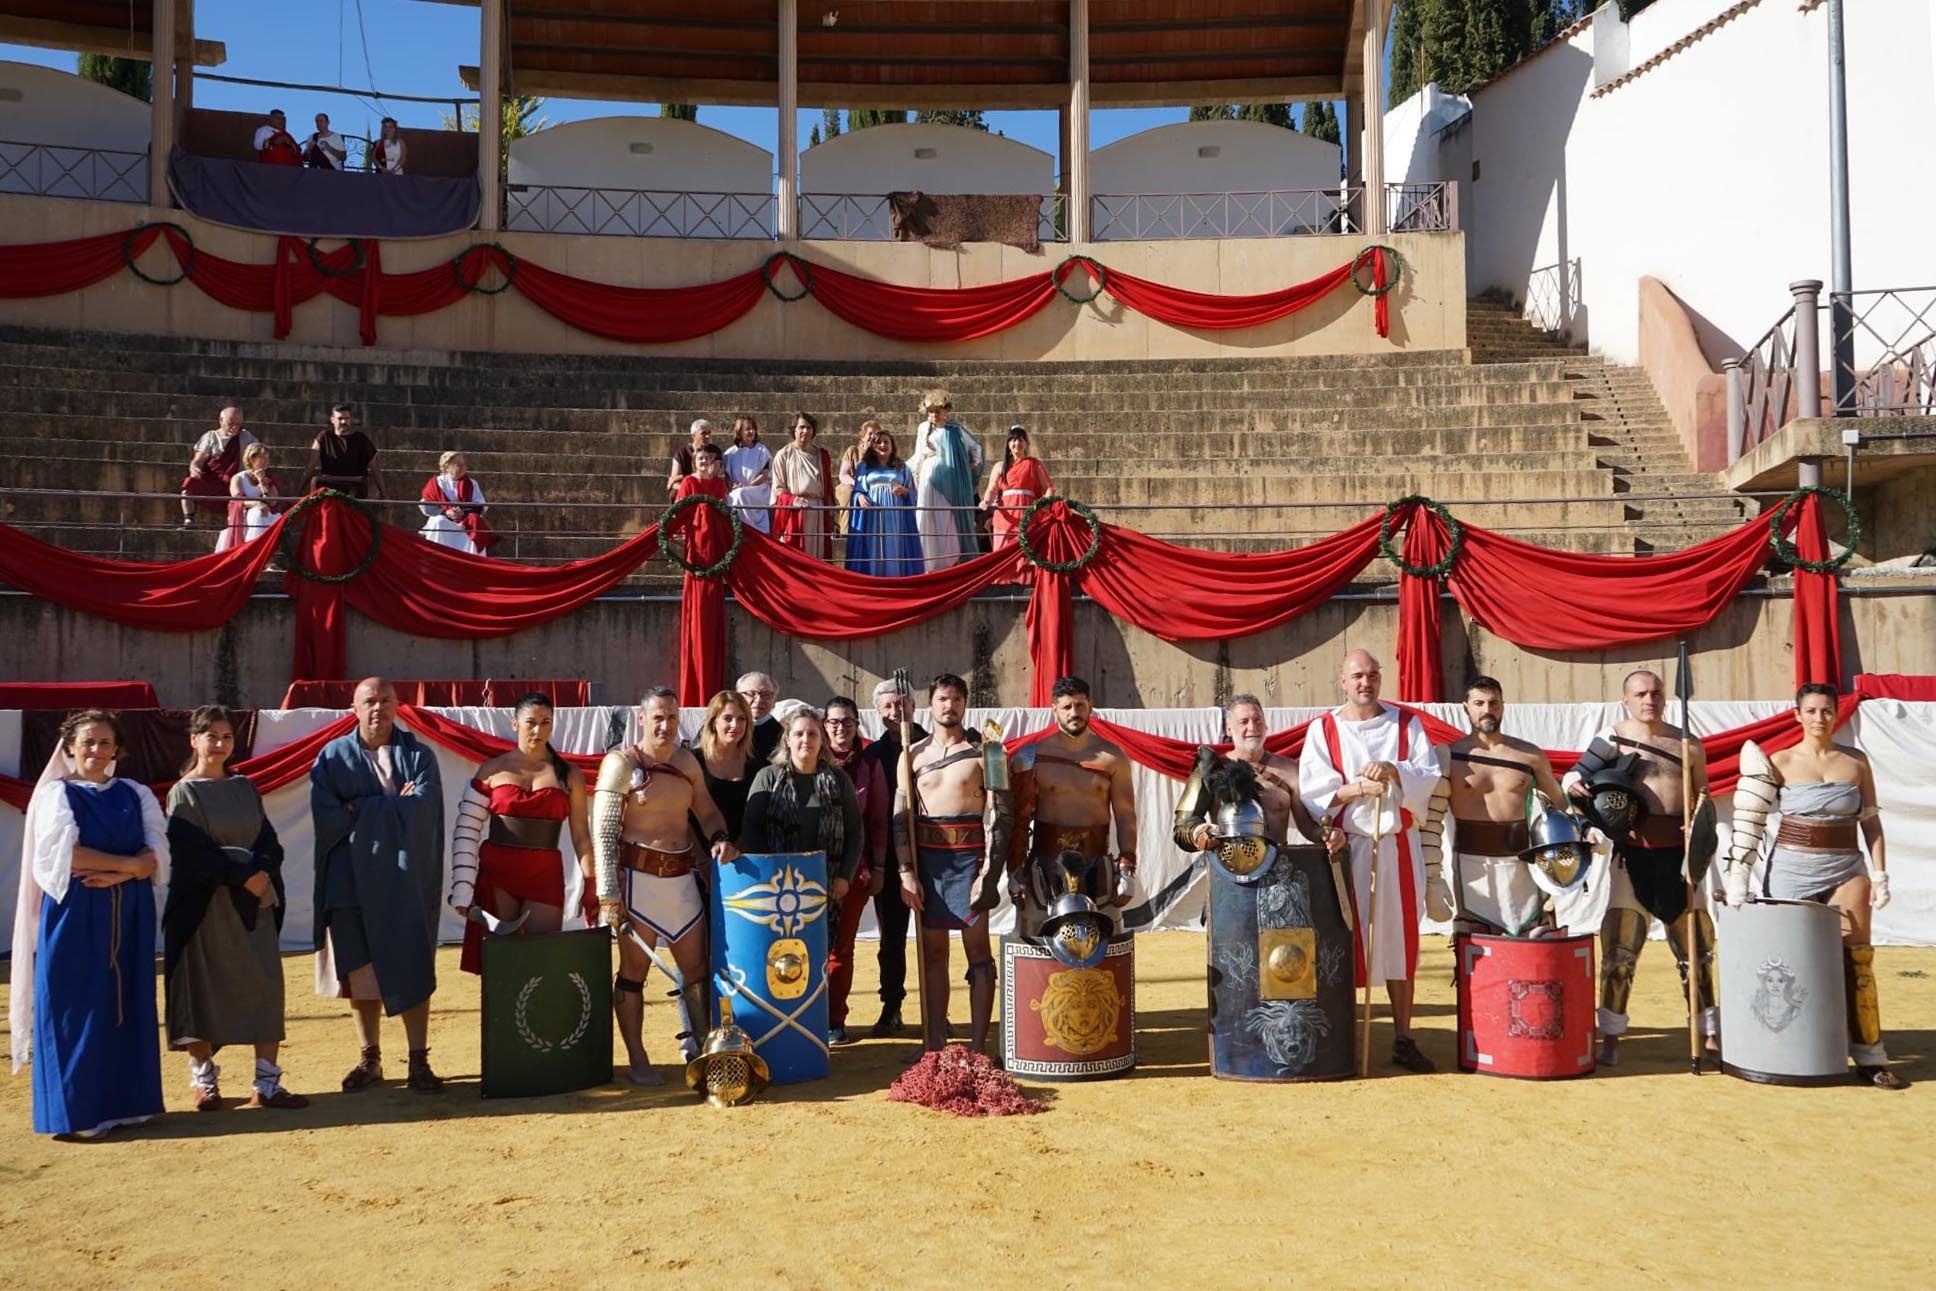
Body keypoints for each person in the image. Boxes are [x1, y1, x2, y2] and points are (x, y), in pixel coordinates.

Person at [1723, 683, 1905, 1089]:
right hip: (1790, 869)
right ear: (1797, 715)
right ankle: (1789, 1046)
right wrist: (1738, 874)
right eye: (1812, 710)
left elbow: (1870, 821)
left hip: (1847, 866)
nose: (1820, 718)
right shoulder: (1780, 761)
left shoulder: (1856, 762)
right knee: (1789, 961)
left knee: (1858, 960)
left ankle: (1871, 1056)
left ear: (1836, 714)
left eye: (1826, 710)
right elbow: (1748, 819)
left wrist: (1880, 874)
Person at [15, 710, 167, 1138]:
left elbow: (158, 855)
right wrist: (129, 865)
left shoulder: (134, 793)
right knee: (75, 1005)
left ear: (117, 748)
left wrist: (124, 873)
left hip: (129, 910)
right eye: (87, 743)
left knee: (124, 1002)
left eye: (105, 743)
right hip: (76, 913)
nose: (96, 751)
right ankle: (78, 1112)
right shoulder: (54, 796)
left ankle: (128, 1104)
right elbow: (65, 857)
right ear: (69, 748)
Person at [1297, 648, 1442, 1073]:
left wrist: (1395, 771)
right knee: (1344, 937)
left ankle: (1403, 1036)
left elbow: (1428, 776)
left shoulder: (1406, 724)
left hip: (1396, 845)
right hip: (1348, 849)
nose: (1366, 682)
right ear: (1343, 680)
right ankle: (1344, 1035)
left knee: (1399, 939)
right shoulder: (1324, 730)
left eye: (1373, 675)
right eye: (1357, 675)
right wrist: (1359, 788)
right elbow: (1314, 793)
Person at [1564, 669, 1716, 1067]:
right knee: (1618, 953)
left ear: (1665, 698)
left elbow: (1703, 795)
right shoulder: (1612, 738)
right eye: (1641, 693)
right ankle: (1612, 1037)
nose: (1650, 699)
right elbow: (1579, 780)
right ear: (1626, 700)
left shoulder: (1688, 746)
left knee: (1696, 953)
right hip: (1632, 854)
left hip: (1681, 859)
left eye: (1656, 693)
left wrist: (1697, 821)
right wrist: (1574, 784)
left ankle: (1708, 1033)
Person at [592, 687, 741, 1085]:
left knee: (697, 971)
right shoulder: (620, 763)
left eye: (672, 717)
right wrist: (608, 895)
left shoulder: (686, 763)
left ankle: (707, 1051)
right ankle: (638, 1058)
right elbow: (604, 833)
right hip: (638, 882)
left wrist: (719, 837)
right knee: (633, 973)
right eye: (658, 717)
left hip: (681, 883)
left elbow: (706, 811)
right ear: (642, 719)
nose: (666, 724)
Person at [162, 705, 306, 1111]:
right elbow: (190, 851)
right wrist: (238, 876)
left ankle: (267, 1084)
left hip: (252, 907)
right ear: (194, 740)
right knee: (201, 990)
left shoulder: (245, 787)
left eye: (227, 736)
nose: (220, 744)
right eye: (212, 736)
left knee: (263, 987)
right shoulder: (183, 792)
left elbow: (268, 841)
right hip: (203, 909)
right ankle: (204, 1083)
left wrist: (260, 871)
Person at [310, 677, 446, 1093]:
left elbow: (423, 812)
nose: (378, 708)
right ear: (354, 708)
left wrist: (363, 809)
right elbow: (328, 816)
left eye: (386, 700)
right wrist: (393, 807)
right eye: (369, 701)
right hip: (350, 880)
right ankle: (370, 1058)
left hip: (404, 881)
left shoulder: (420, 756)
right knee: (360, 971)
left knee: (411, 962)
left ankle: (418, 1059)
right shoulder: (332, 758)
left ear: (397, 706)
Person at [894, 673, 1012, 1055]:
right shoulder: (911, 754)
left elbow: (1001, 815)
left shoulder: (989, 753)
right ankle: (935, 1046)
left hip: (970, 860)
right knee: (932, 954)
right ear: (931, 704)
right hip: (928, 861)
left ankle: (979, 1047)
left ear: (965, 704)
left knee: (978, 953)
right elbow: (901, 815)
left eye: (956, 699)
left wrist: (988, 875)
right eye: (943, 698)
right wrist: (906, 871)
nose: (950, 706)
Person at [448, 693, 595, 976]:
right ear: (515, 724)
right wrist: (463, 888)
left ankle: (541, 1021)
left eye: (545, 723)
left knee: (544, 963)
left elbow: (581, 836)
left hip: (544, 875)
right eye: (530, 722)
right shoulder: (492, 769)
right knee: (500, 966)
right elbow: (466, 829)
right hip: (497, 875)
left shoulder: (570, 774)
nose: (538, 730)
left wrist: (591, 885)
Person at [1442, 677, 1567, 938]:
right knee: (1476, 948)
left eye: (1493, 703)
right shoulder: (1448, 757)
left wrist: (1585, 829)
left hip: (1522, 864)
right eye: (1479, 703)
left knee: (1535, 945)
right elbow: (1425, 814)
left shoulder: (1529, 755)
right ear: (1466, 707)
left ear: (1503, 706)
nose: (1487, 709)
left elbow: (1559, 803)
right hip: (1471, 865)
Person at [1008, 676, 1138, 925]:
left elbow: (1126, 815)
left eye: (1080, 705)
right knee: (1036, 942)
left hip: (1097, 868)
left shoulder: (1113, 757)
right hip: (1043, 869)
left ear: (1090, 705)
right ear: (1054, 709)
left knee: (1106, 942)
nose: (1074, 712)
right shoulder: (1034, 756)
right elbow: (1019, 818)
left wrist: (1127, 868)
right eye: (1067, 707)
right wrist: (1015, 870)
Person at [1179, 693, 1340, 855]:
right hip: (1228, 868)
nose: (1252, 727)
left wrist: (1325, 835)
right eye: (1243, 722)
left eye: (1258, 720)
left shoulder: (1290, 769)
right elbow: (1183, 827)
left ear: (1266, 726)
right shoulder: (1212, 768)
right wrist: (1200, 833)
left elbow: (1306, 826)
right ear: (1229, 728)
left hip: (1279, 868)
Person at [740, 707, 863, 907]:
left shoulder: (839, 779)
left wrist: (844, 876)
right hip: (775, 884)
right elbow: (751, 828)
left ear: (822, 739)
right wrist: (769, 871)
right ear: (787, 740)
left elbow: (855, 830)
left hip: (826, 883)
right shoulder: (768, 777)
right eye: (798, 734)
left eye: (812, 734)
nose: (806, 740)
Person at [861, 676, 929, 1037]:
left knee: (933, 936)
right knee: (892, 938)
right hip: (889, 858)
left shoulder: (933, 745)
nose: (894, 712)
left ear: (913, 707)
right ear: (877, 712)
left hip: (933, 854)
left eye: (900, 704)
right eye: (887, 706)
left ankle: (936, 1008)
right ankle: (892, 1004)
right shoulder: (871, 756)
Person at [824, 696, 888, 1045]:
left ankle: (835, 1019)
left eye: (847, 722)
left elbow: (878, 820)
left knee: (840, 950)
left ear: (857, 724)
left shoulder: (869, 765)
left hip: (854, 871)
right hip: (809, 871)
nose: (840, 728)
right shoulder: (808, 758)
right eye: (834, 722)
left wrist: (877, 866)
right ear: (824, 724)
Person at [906, 390, 982, 570]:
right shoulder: (923, 428)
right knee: (925, 517)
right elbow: (918, 456)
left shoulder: (955, 430)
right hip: (928, 478)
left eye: (937, 411)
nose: (933, 415)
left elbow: (975, 447)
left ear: (946, 411)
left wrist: (973, 463)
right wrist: (901, 470)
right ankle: (927, 564)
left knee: (946, 518)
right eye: (930, 411)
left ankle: (949, 562)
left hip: (949, 482)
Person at [845, 425, 922, 578]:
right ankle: (875, 579)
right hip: (873, 513)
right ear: (873, 446)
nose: (882, 445)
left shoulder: (902, 467)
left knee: (895, 545)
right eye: (878, 443)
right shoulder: (864, 466)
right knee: (874, 545)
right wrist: (859, 496)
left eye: (886, 442)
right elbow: (859, 489)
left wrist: (905, 492)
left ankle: (894, 579)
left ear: (892, 445)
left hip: (896, 515)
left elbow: (914, 493)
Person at [691, 689, 757, 843]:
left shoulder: (756, 766)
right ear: (714, 722)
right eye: (728, 718)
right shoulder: (692, 760)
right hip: (695, 859)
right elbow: (681, 816)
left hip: (742, 857)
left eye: (742, 719)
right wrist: (701, 859)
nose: (735, 725)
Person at [771, 412, 835, 560]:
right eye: (801, 427)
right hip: (796, 512)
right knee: (796, 557)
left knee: (818, 556)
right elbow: (777, 489)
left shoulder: (822, 455)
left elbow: (828, 488)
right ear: (794, 430)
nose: (805, 431)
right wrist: (793, 500)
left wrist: (830, 514)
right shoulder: (783, 455)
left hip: (818, 511)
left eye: (809, 427)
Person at [180, 405, 259, 526]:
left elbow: (258, 455)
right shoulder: (211, 436)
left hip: (236, 483)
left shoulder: (246, 437)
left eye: (238, 424)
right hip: (214, 480)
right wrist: (194, 469)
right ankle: (189, 519)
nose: (234, 427)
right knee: (189, 485)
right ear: (221, 420)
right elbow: (198, 460)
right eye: (231, 423)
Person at [980, 424, 1053, 551]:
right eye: (1013, 440)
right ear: (1008, 443)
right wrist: (986, 501)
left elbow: (1049, 488)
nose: (1017, 443)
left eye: (1020, 439)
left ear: (1026, 443)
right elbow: (991, 489)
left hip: (1028, 517)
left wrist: (1043, 505)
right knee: (1002, 556)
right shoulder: (999, 467)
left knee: (1024, 559)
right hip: (1005, 519)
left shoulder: (1034, 464)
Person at [418, 451, 497, 556]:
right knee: (438, 521)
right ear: (447, 467)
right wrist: (446, 513)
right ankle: (436, 556)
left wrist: (463, 512)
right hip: (444, 518)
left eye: (464, 464)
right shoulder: (436, 483)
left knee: (475, 522)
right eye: (459, 465)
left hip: (465, 520)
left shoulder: (471, 483)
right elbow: (426, 506)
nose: (463, 467)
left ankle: (471, 560)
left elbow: (480, 506)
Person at [307, 404, 383, 498]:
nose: (344, 421)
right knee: (316, 481)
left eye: (347, 418)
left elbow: (375, 467)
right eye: (340, 418)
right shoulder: (324, 437)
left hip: (354, 483)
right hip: (330, 482)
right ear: (332, 420)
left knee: (360, 484)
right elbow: (310, 465)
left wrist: (384, 494)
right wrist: (299, 490)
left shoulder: (361, 439)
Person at [218, 442, 281, 551]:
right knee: (256, 513)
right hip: (243, 514)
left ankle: (264, 556)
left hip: (266, 513)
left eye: (267, 458)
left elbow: (272, 502)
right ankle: (251, 551)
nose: (267, 461)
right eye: (263, 458)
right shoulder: (238, 478)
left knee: (271, 517)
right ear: (251, 459)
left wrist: (262, 481)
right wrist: (256, 503)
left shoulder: (269, 479)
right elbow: (237, 500)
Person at [722, 415, 773, 534]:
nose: (751, 432)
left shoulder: (762, 450)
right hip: (737, 490)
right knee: (736, 495)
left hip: (757, 490)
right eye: (747, 429)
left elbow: (764, 475)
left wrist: (747, 486)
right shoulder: (730, 453)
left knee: (741, 493)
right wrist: (732, 488)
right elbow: (728, 477)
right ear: (740, 432)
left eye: (753, 428)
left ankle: (750, 530)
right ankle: (740, 529)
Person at [834, 419, 877, 536]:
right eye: (870, 433)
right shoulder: (853, 451)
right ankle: (846, 534)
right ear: (863, 437)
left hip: (871, 489)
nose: (873, 437)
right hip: (852, 486)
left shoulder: (879, 456)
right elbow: (843, 475)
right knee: (847, 491)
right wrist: (858, 488)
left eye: (876, 435)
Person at [738, 671, 782, 764]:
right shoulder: (725, 728)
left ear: (774, 701)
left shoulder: (781, 735)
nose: (759, 700)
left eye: (766, 695)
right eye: (751, 694)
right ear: (737, 697)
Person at [666, 418, 714, 500]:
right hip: (687, 490)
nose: (708, 436)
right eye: (704, 433)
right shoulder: (681, 453)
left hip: (708, 486)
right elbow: (672, 483)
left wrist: (681, 477)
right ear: (693, 436)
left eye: (709, 433)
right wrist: (688, 488)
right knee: (674, 493)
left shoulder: (714, 451)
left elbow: (710, 474)